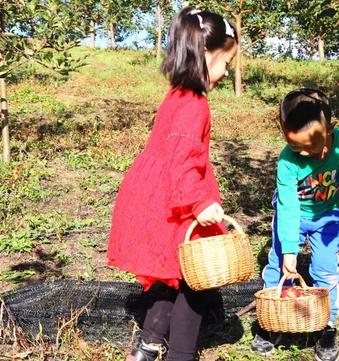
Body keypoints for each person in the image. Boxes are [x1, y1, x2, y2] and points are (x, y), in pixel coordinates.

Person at [106, 7, 238, 361]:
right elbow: (182, 163)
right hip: (179, 200)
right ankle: (181, 354)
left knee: (170, 275)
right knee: (195, 282)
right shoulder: (195, 106)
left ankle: (147, 346)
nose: (227, 71)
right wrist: (200, 203)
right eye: (226, 62)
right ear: (206, 54)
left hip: (160, 197)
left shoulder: (177, 95)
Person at [251, 89, 339, 361]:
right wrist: (290, 249)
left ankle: (328, 324)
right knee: (278, 263)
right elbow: (288, 206)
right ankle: (271, 320)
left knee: (325, 269)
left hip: (330, 216)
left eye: (313, 146)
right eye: (297, 146)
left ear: (330, 128)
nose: (306, 153)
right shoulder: (288, 161)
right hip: (295, 216)